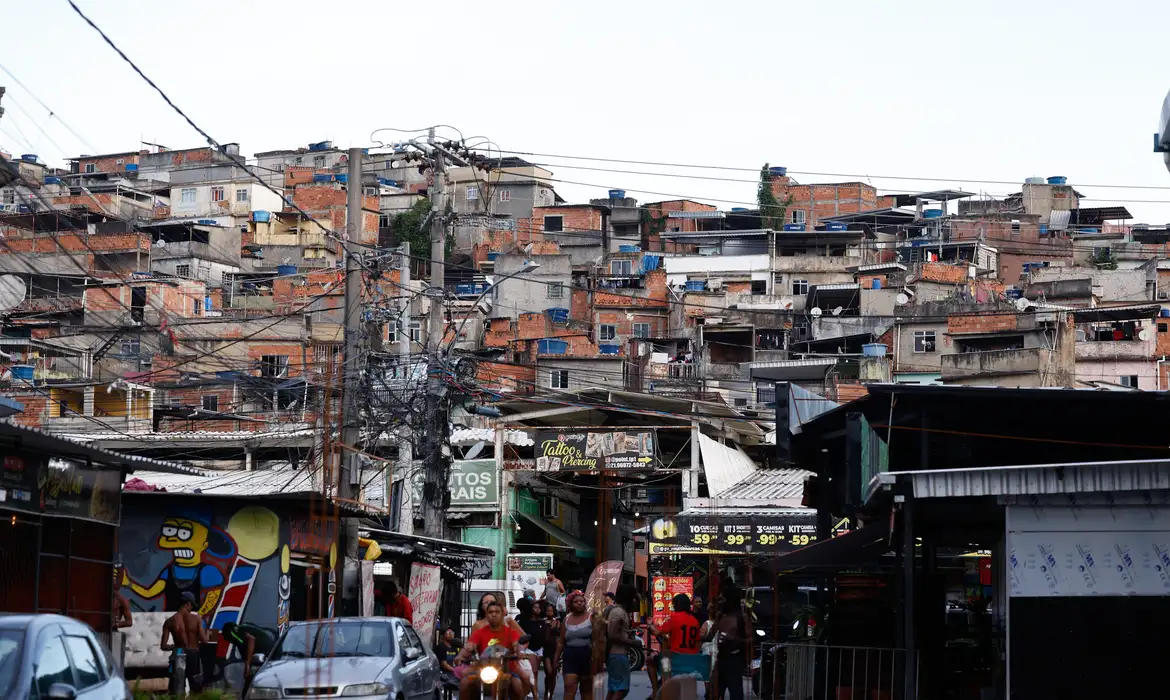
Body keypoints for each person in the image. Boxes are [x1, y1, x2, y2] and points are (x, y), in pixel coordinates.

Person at [455, 600, 525, 700]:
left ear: (502, 614)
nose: (493, 615)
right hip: (482, 670)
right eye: (490, 612)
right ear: (486, 615)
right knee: (465, 683)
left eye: (497, 612)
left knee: (517, 686)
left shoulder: (510, 632)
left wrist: (520, 652)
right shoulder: (479, 633)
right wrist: (460, 656)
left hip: (506, 670)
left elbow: (517, 645)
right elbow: (469, 646)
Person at [707, 589, 751, 700]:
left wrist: (735, 639)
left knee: (735, 693)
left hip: (735, 660)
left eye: (722, 599)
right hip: (721, 658)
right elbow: (709, 636)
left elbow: (751, 640)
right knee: (712, 693)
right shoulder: (720, 615)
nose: (719, 602)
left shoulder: (742, 617)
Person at [160, 592, 208, 693]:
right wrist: (207, 634)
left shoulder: (169, 621)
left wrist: (174, 647)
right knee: (196, 688)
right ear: (188, 604)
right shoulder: (196, 619)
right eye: (192, 605)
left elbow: (163, 646)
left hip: (178, 653)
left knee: (176, 688)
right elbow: (204, 641)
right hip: (193, 654)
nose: (192, 608)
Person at [555, 590, 593, 700]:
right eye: (576, 601)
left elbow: (598, 640)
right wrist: (556, 658)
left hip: (587, 658)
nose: (580, 603)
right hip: (570, 658)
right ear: (571, 604)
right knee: (569, 688)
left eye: (582, 601)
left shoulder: (591, 618)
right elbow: (561, 642)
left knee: (586, 691)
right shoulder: (566, 620)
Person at [222, 620, 276, 696]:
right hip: (270, 651)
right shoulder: (244, 628)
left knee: (253, 677)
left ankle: (246, 694)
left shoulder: (236, 632)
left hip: (266, 653)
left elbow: (251, 639)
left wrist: (247, 664)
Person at [605, 584, 637, 700]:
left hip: (616, 655)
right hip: (618, 655)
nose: (634, 601)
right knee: (622, 689)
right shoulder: (618, 612)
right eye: (633, 598)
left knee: (613, 689)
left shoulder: (619, 611)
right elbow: (612, 635)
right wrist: (632, 643)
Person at [518, 599, 548, 695]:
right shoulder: (525, 621)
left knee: (536, 671)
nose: (538, 609)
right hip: (529, 648)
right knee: (533, 670)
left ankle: (534, 688)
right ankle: (532, 692)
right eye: (535, 607)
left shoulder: (542, 622)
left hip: (539, 648)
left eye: (539, 608)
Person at [542, 603, 560, 700]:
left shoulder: (557, 622)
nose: (549, 612)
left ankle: (551, 694)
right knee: (548, 672)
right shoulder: (543, 622)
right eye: (548, 611)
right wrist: (547, 626)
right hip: (546, 649)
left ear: (554, 612)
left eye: (551, 611)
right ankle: (546, 691)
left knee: (554, 673)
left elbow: (559, 636)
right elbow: (544, 636)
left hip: (556, 649)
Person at [113, 566, 134, 630]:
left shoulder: (122, 601)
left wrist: (116, 624)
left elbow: (129, 622)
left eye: (118, 578)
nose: (115, 581)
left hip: (111, 632)